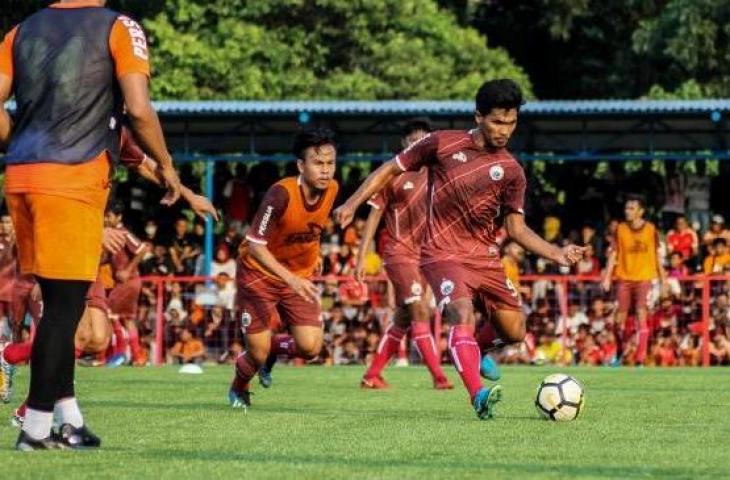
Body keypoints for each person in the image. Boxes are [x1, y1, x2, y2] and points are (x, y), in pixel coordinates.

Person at [333, 79, 584, 419]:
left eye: (511, 123)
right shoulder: (441, 144)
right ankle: (477, 395)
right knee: (460, 315)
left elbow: (516, 228)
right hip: (441, 254)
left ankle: (473, 352)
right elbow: (391, 168)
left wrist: (557, 253)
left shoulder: (512, 171)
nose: (504, 131)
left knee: (514, 331)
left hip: (484, 258)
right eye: (497, 121)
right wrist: (351, 203)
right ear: (479, 116)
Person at [0, 0, 185, 445]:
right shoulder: (120, 27)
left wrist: (21, 139)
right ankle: (37, 429)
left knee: (62, 301)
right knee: (65, 311)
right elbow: (138, 110)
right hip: (73, 178)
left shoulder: (20, 31)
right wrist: (167, 165)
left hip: (21, 176)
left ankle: (69, 419)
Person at [228, 129, 339, 409]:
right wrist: (290, 278)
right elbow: (255, 244)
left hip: (299, 276)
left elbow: (310, 228)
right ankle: (239, 387)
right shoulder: (280, 193)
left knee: (311, 348)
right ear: (301, 166)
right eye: (318, 163)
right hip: (258, 273)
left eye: (330, 163)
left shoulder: (333, 189)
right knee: (257, 352)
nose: (326, 170)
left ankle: (273, 351)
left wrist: (315, 254)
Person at [354, 118, 452, 390]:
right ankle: (439, 377)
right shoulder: (392, 175)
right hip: (399, 253)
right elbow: (374, 217)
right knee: (420, 309)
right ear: (404, 144)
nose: (418, 145)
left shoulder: (438, 174)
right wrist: (361, 257)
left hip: (425, 257)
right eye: (413, 141)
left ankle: (372, 375)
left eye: (423, 140)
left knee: (404, 317)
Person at [602, 196, 667, 366]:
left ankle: (640, 358)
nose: (627, 211)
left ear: (641, 211)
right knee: (618, 321)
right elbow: (614, 253)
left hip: (645, 278)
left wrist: (664, 280)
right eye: (626, 208)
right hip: (624, 278)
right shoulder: (620, 229)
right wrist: (608, 276)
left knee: (641, 314)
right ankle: (620, 349)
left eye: (631, 208)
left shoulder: (651, 230)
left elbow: (657, 256)